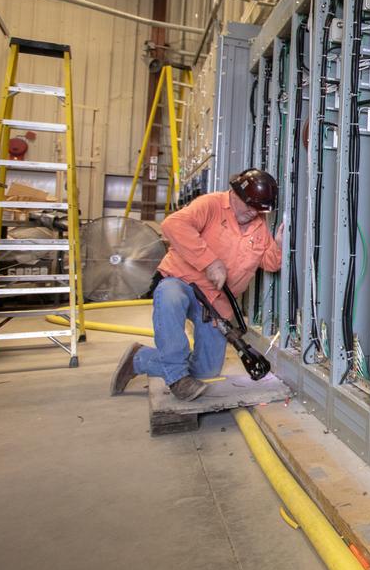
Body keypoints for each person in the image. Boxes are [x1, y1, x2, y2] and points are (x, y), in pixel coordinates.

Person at [109, 169, 284, 401]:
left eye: (259, 209)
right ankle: (178, 379)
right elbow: (172, 225)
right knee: (169, 296)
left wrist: (280, 245)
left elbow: (269, 262)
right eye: (249, 206)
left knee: (207, 371)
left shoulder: (258, 224)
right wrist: (209, 262)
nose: (253, 213)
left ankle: (139, 359)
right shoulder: (210, 205)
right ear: (235, 194)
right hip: (183, 284)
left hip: (216, 305)